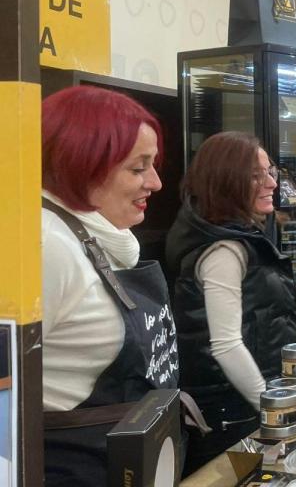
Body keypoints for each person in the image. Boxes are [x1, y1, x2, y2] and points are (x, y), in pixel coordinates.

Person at [41, 86, 179, 485]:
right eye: (138, 168)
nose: (154, 182)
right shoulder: (47, 244)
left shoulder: (100, 238)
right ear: (81, 163)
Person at [166, 131, 296, 475]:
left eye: (270, 171)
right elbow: (225, 344)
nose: (272, 183)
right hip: (233, 413)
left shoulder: (232, 235)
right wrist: (271, 410)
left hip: (244, 404)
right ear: (226, 182)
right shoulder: (224, 249)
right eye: (256, 175)